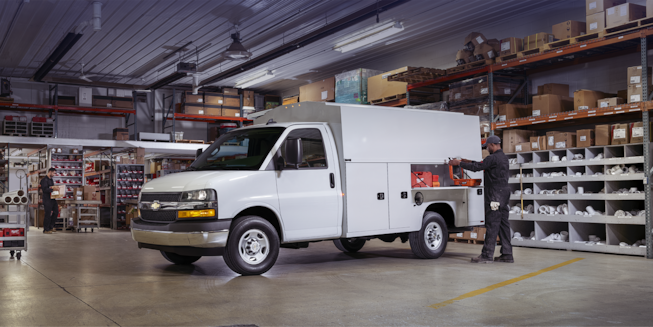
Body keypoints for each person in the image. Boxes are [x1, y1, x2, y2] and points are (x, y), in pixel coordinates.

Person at [448, 135, 512, 263]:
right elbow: (481, 164)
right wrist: (467, 161)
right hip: (504, 195)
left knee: (492, 224)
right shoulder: (503, 158)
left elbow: (477, 167)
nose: (487, 148)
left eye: (487, 146)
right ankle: (507, 254)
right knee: (503, 224)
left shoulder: (492, 158)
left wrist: (459, 163)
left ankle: (487, 255)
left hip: (494, 196)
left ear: (492, 145)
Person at [40, 168, 59, 234]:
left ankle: (51, 227)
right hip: (47, 199)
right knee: (47, 214)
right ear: (50, 172)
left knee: (56, 212)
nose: (54, 174)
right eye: (53, 173)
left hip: (52, 199)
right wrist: (53, 189)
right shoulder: (44, 180)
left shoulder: (51, 180)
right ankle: (46, 229)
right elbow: (45, 189)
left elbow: (51, 187)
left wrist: (55, 189)